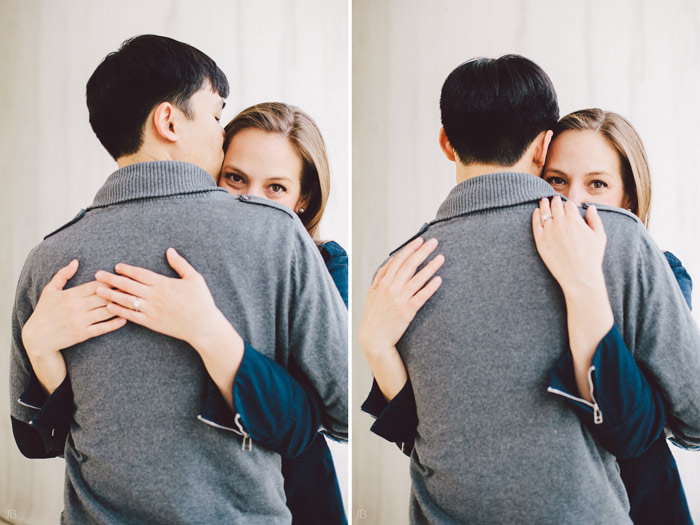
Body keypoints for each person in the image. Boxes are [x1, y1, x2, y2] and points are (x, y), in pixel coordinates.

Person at [10, 34, 347, 524]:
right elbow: (340, 415)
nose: (220, 131)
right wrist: (39, 349)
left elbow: (30, 440)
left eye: (276, 186)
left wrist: (210, 332)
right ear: (169, 120)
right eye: (215, 115)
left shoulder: (46, 260)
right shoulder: (274, 236)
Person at [359, 55, 700, 523]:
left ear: (445, 142)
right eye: (559, 182)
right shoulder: (621, 245)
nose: (574, 204)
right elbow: (435, 437)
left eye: (597, 184)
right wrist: (375, 347)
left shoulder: (401, 269)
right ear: (543, 151)